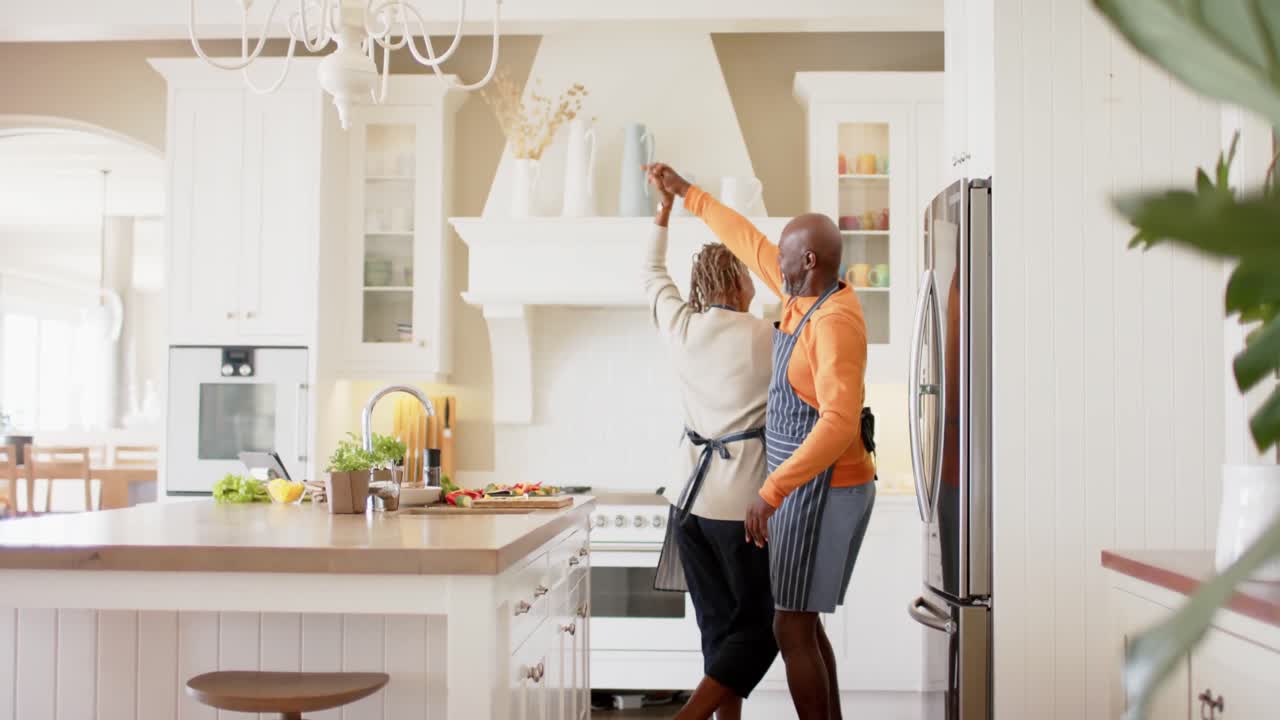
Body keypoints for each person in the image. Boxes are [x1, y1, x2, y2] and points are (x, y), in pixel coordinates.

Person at [647, 163, 877, 720]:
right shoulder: (798, 293)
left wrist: (771, 489)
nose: (770, 264)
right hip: (802, 487)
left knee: (789, 622)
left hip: (830, 487)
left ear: (810, 261)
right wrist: (685, 194)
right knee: (800, 619)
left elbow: (839, 421)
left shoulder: (833, 322)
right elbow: (743, 238)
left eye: (784, 257)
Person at [641, 167, 778, 719]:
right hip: (738, 508)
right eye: (747, 276)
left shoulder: (680, 325)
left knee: (717, 626)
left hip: (686, 504)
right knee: (764, 627)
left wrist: (663, 212)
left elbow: (651, 271)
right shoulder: (765, 336)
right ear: (740, 282)